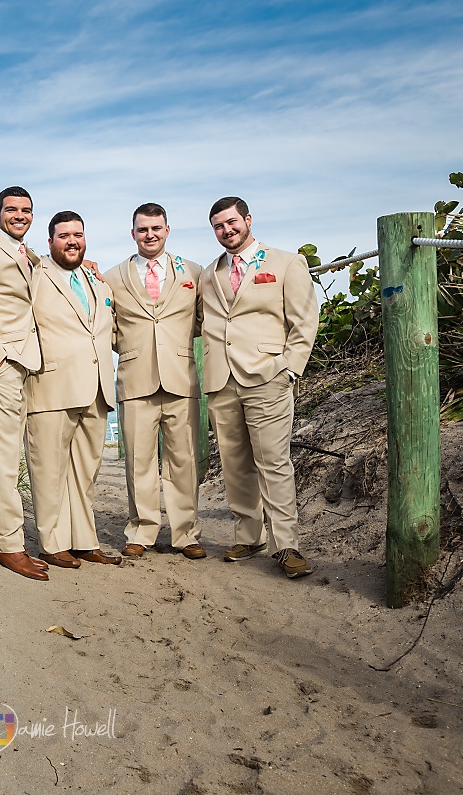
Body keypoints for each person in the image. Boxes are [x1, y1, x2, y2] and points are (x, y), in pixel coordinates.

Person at [200, 197, 319, 578]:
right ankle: (249, 536)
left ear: (248, 220)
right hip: (221, 380)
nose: (226, 231)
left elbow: (304, 320)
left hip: (268, 376)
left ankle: (286, 545)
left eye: (232, 222)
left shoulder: (286, 263)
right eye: (218, 226)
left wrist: (289, 369)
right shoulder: (208, 273)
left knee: (273, 462)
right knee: (235, 465)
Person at [103, 203, 205, 560]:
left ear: (167, 229)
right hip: (135, 379)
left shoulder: (194, 272)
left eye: (156, 228)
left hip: (180, 379)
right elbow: (107, 326)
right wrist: (135, 348)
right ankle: (142, 532)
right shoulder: (112, 277)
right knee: (138, 461)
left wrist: (172, 346)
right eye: (143, 229)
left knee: (183, 460)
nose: (150, 234)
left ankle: (185, 534)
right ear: (133, 233)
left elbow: (202, 320)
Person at [24, 211, 120, 567]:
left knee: (84, 473)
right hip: (50, 386)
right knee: (48, 470)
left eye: (77, 234)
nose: (72, 241)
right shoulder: (34, 274)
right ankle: (52, 542)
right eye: (63, 235)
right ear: (50, 242)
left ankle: (84, 541)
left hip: (96, 389)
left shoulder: (98, 280)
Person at [0, 186, 49, 581]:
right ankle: (6, 545)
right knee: (1, 459)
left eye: (27, 210)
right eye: (12, 209)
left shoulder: (26, 252)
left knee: (9, 456)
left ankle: (5, 536)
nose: (20, 215)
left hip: (23, 364)